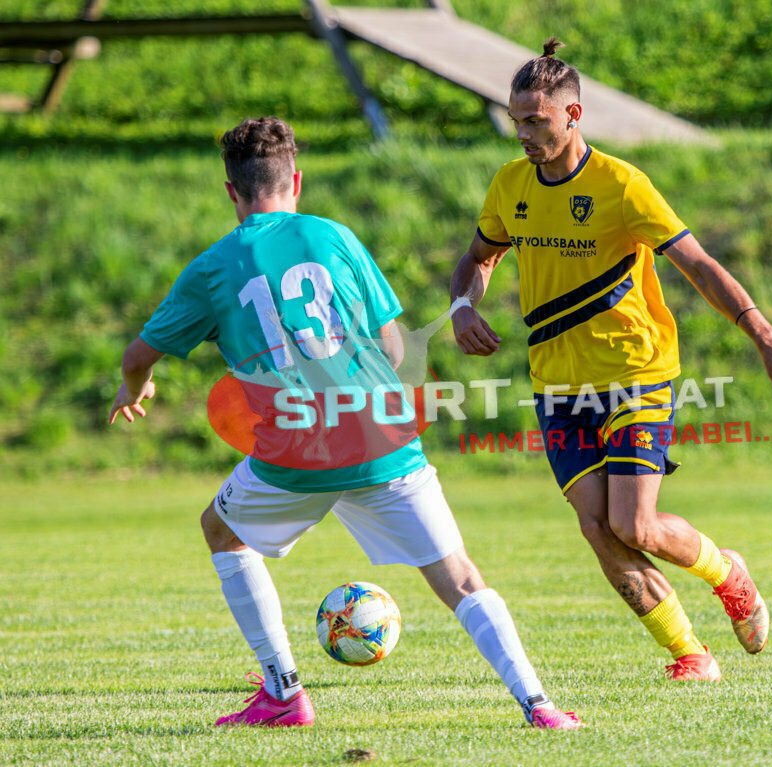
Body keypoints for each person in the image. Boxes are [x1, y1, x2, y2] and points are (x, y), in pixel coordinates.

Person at [108, 116, 581, 730]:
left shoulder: (212, 268)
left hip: (294, 449)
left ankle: (283, 693)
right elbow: (392, 346)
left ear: (231, 191)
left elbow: (140, 355)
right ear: (295, 181)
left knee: (223, 533)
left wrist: (134, 388)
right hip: (381, 436)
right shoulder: (336, 237)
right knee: (461, 578)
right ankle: (539, 706)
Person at [450, 39, 772, 681]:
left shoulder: (622, 186)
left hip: (636, 373)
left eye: (536, 119)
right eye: (516, 120)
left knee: (635, 524)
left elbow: (698, 264)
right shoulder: (510, 185)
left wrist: (765, 334)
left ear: (573, 115)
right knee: (597, 528)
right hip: (557, 385)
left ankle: (728, 574)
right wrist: (463, 307)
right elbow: (479, 257)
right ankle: (690, 655)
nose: (525, 133)